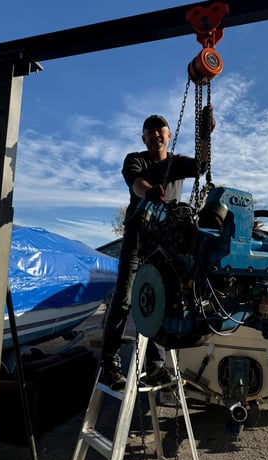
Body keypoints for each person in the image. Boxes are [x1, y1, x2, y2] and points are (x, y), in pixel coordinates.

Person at [100, 108, 215, 391]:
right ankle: (109, 364)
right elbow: (137, 183)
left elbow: (202, 165)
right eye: (149, 131)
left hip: (164, 245)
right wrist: (149, 191)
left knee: (160, 300)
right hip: (138, 237)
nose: (155, 134)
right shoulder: (135, 160)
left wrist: (205, 136)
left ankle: (155, 365)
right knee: (125, 298)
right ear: (144, 137)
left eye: (159, 130)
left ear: (168, 135)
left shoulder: (176, 163)